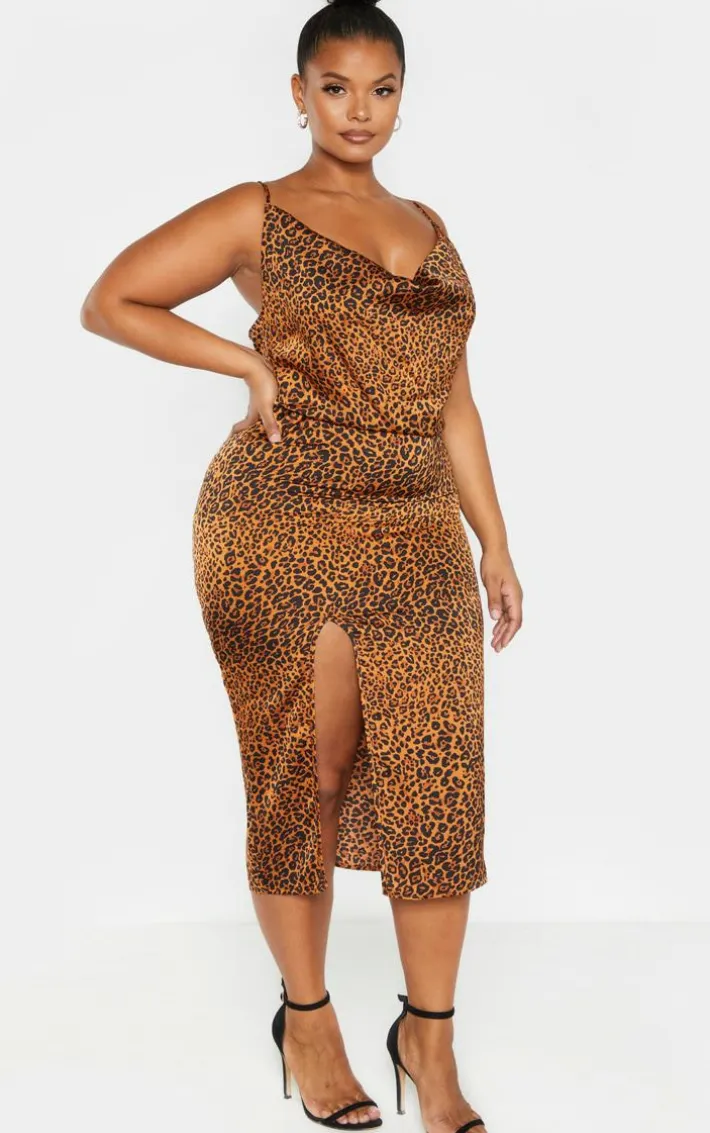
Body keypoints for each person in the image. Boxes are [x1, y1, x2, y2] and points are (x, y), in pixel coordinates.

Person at [80, 0, 523, 1128]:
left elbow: (454, 401)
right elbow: (112, 299)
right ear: (299, 94)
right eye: (335, 87)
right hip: (284, 516)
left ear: (401, 98)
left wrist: (494, 540)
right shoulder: (259, 212)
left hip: (417, 526)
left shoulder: (430, 225)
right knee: (310, 771)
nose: (358, 110)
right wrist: (245, 364)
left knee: (437, 779)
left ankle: (429, 1040)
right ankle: (309, 1015)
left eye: (380, 89)